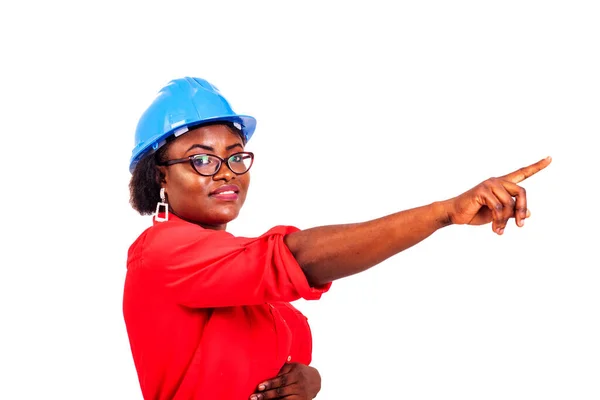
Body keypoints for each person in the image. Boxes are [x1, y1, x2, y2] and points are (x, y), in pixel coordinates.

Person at [123, 77, 551, 400]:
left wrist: (309, 380)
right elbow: (296, 258)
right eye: (202, 159)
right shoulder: (160, 251)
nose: (226, 171)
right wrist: (443, 213)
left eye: (236, 155)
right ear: (160, 176)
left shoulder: (244, 276)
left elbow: (269, 359)